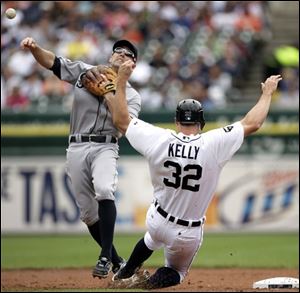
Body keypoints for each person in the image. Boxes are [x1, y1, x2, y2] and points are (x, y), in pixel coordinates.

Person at [100, 59, 282, 289]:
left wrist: (122, 81)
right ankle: (144, 286)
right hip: (187, 231)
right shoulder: (213, 143)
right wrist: (267, 93)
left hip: (157, 219)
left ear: (177, 121)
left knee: (151, 238)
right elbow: (252, 123)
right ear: (202, 122)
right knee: (176, 271)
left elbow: (121, 120)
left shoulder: (159, 138)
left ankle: (124, 273)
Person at [20, 37, 141, 279]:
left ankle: (105, 256)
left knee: (105, 190)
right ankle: (118, 262)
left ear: (133, 64)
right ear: (110, 56)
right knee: (87, 214)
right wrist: (34, 48)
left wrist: (109, 92)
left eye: (127, 54)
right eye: (117, 51)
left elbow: (123, 124)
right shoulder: (85, 72)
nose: (121, 54)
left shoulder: (132, 96)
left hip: (105, 146)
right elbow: (52, 62)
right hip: (76, 145)